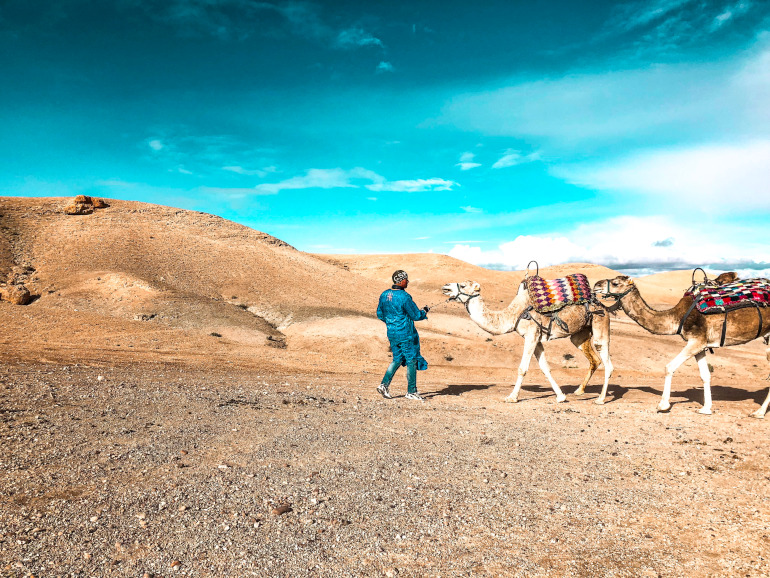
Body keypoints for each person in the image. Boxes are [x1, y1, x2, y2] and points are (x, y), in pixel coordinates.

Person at [376, 270, 430, 401]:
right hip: (406, 334)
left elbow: (380, 314)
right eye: (406, 279)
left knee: (397, 359)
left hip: (392, 333)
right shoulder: (405, 297)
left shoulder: (384, 294)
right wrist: (425, 311)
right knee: (411, 360)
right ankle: (411, 391)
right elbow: (416, 315)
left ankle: (384, 385)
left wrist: (391, 323)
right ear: (400, 280)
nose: (408, 281)